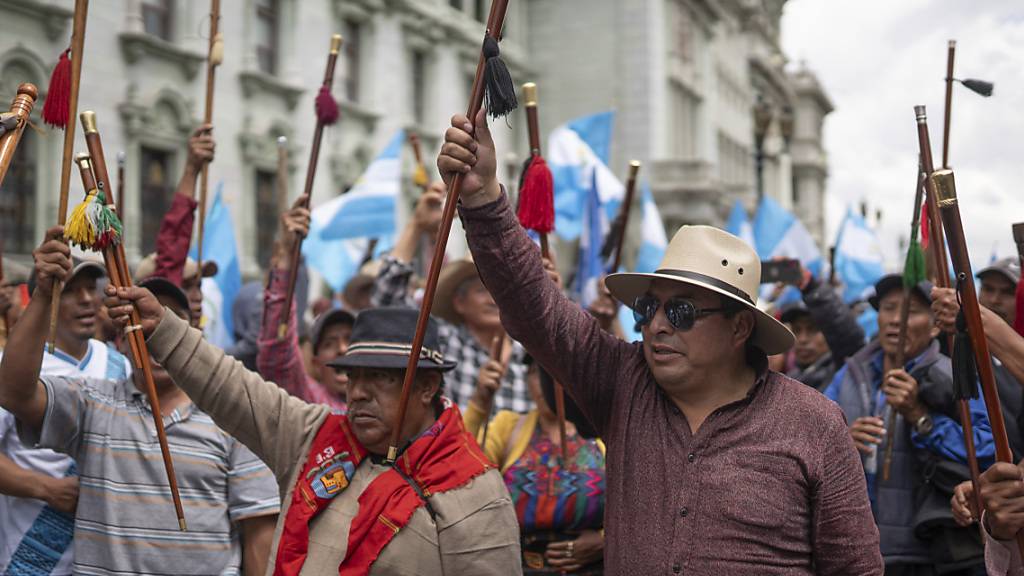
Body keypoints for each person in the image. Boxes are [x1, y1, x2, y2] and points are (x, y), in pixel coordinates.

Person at [438, 109, 882, 573]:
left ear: (739, 328)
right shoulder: (622, 382)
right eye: (649, 309)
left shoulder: (813, 423)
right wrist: (483, 198)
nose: (657, 325)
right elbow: (534, 307)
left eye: (682, 312)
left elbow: (856, 566)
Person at [100, 281, 522, 574]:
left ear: (427, 387)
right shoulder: (315, 438)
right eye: (353, 376)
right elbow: (232, 387)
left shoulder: (475, 492)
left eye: (380, 378)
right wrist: (164, 329)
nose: (358, 393)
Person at [0, 228, 280, 576]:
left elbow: (259, 535)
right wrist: (45, 294)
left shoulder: (233, 417)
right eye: (140, 324)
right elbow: (13, 393)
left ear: (194, 335)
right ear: (121, 341)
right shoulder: (92, 404)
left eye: (170, 324)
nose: (156, 336)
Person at [825, 274, 993, 574]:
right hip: (853, 550)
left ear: (935, 324)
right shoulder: (850, 373)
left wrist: (921, 417)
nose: (896, 320)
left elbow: (987, 450)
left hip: (923, 554)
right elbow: (810, 439)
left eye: (911, 311)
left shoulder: (954, 375)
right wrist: (842, 440)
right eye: (888, 308)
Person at [0, 257, 122, 576]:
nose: (86, 299)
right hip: (29, 559)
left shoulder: (119, 365)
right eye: (70, 291)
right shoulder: (13, 370)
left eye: (91, 289)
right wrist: (45, 488)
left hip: (103, 560)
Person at [373, 182, 534, 413]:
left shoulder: (531, 353)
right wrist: (416, 226)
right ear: (459, 303)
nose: (493, 299)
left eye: (499, 290)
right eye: (481, 290)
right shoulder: (444, 341)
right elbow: (388, 304)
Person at [466, 356, 606, 574]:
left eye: (553, 370)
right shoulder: (508, 427)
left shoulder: (603, 431)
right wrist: (479, 403)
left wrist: (605, 540)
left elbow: (638, 502)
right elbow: (464, 472)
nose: (545, 381)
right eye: (536, 371)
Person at [258, 195, 352, 410]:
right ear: (316, 364)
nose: (342, 349)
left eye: (350, 339)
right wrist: (285, 256)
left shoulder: (388, 408)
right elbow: (277, 357)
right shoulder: (311, 403)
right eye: (329, 344)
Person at [135, 124, 218, 327]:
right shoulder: (154, 341)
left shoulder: (199, 340)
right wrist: (191, 170)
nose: (198, 296)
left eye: (199, 286)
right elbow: (173, 247)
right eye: (187, 286)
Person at [781, 266, 865, 392]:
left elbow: (847, 336)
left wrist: (810, 287)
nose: (802, 339)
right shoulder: (787, 382)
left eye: (813, 330)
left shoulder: (844, 373)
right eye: (797, 330)